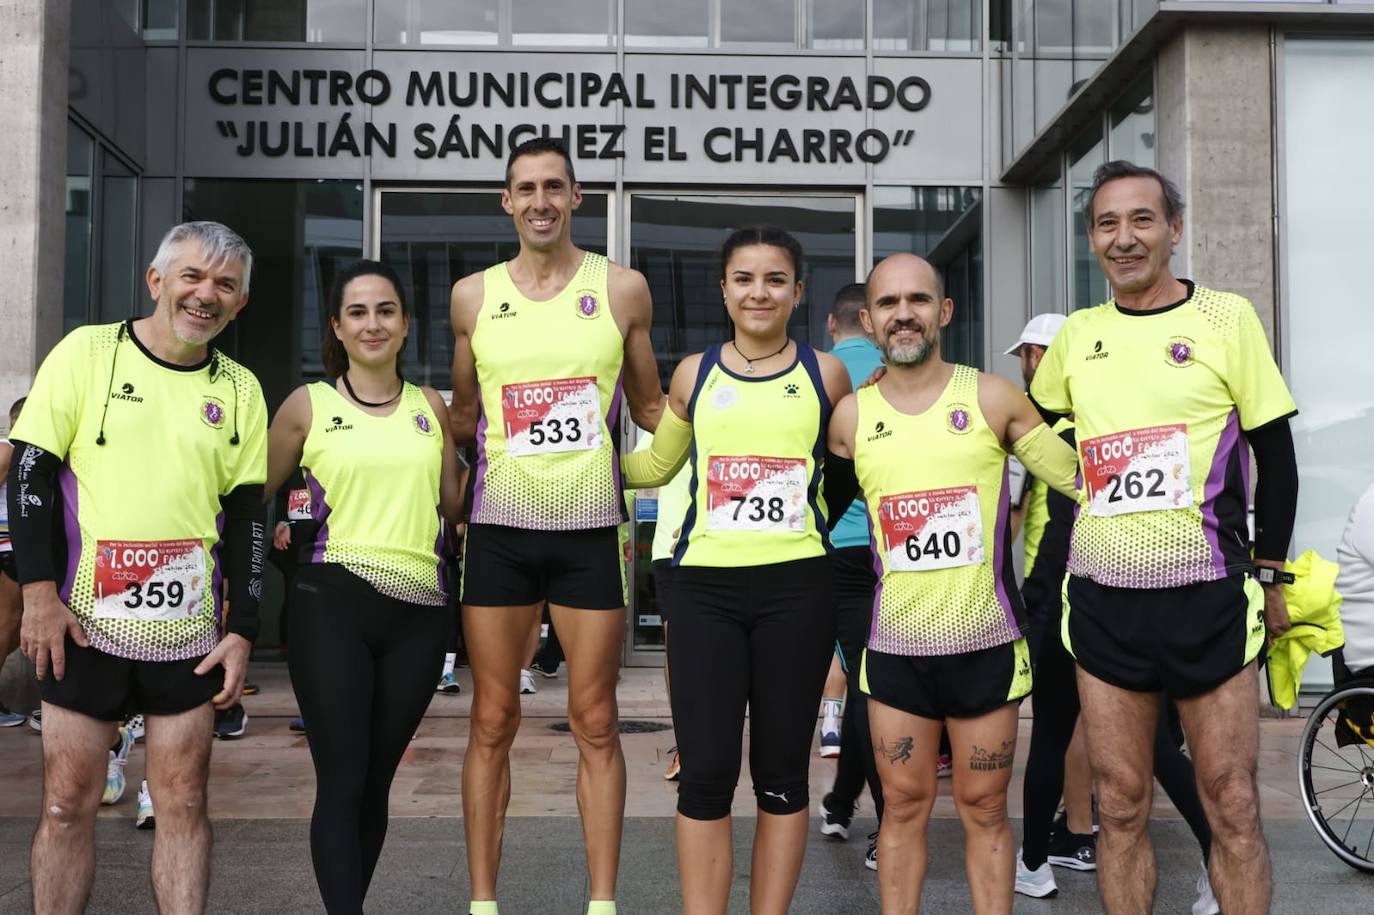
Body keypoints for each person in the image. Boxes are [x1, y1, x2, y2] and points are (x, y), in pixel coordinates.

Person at [1029, 160, 1299, 914]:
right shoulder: (1077, 338)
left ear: (1174, 230)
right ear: (1092, 240)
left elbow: (1275, 454)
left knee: (1233, 801)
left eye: (1142, 220)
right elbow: (1043, 435)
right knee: (1118, 801)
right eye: (1108, 224)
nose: (1125, 238)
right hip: (1105, 601)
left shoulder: (1226, 318)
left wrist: (1272, 573)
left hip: (1210, 594)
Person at [9, 221, 267, 914]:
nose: (205, 294)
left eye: (225, 285)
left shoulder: (241, 389)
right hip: (84, 621)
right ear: (157, 281)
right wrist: (37, 591)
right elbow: (29, 475)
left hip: (186, 632)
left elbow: (247, 518)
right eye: (192, 276)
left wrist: (243, 626)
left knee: (183, 800)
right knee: (67, 802)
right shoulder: (85, 353)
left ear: (239, 303)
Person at [447, 137, 664, 915]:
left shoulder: (624, 288)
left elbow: (648, 408)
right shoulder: (472, 297)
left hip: (588, 536)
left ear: (577, 197)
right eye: (524, 188)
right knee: (492, 717)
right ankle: (482, 900)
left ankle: (601, 902)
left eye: (554, 186)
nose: (539, 200)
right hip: (499, 534)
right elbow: (464, 418)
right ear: (506, 201)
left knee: (595, 718)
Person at [827, 253, 1079, 914]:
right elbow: (810, 514)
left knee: (984, 806)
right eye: (888, 303)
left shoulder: (992, 395)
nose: (903, 313)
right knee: (903, 807)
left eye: (917, 299)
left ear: (944, 311)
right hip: (896, 650)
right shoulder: (850, 419)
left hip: (985, 644)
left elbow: (1079, 475)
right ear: (869, 319)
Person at [624, 226, 852, 915]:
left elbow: (840, 481)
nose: (760, 292)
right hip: (703, 591)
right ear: (723, 290)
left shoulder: (829, 374)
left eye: (775, 279)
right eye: (745, 278)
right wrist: (581, 468)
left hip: (799, 588)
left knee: (783, 773)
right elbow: (657, 467)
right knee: (708, 770)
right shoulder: (694, 372)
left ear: (798, 292)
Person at [266, 258, 463, 915]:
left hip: (420, 613)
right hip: (332, 604)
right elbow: (246, 496)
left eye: (385, 310)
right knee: (343, 777)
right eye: (358, 311)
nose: (372, 323)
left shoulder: (431, 407)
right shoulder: (307, 405)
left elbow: (455, 505)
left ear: (406, 325)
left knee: (376, 780)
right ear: (337, 327)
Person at [815, 283, 887, 867]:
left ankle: (886, 822)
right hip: (897, 551)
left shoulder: (827, 375)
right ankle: (843, 801)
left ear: (833, 324)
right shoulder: (895, 372)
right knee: (875, 678)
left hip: (840, 549)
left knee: (870, 684)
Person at [0, 397, 29, 727]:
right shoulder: (9, 449)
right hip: (9, 546)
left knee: (14, 629)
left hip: (18, 547)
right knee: (6, 627)